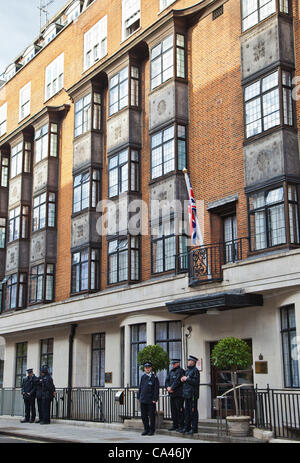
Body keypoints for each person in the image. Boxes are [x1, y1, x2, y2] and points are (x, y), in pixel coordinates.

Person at [137, 361, 159, 436]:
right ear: (144, 369)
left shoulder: (154, 377)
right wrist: (139, 397)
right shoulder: (143, 377)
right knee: (144, 416)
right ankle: (146, 429)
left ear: (151, 368)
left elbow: (156, 389)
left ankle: (152, 430)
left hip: (150, 400)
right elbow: (140, 387)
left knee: (151, 416)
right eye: (146, 368)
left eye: (148, 368)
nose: (147, 369)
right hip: (143, 399)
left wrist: (155, 399)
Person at [180, 355, 200, 435]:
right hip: (186, 394)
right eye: (188, 360)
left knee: (193, 412)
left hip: (192, 395)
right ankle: (187, 427)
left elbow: (195, 382)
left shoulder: (195, 371)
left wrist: (187, 379)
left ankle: (194, 428)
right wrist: (182, 378)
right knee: (187, 412)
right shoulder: (187, 370)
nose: (188, 362)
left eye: (190, 361)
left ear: (193, 362)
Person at [165, 359, 185, 431]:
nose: (172, 365)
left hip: (178, 394)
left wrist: (172, 388)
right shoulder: (171, 372)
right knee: (173, 411)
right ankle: (175, 425)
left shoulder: (181, 371)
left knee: (179, 410)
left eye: (174, 364)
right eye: (172, 364)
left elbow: (177, 381)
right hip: (172, 394)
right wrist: (168, 387)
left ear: (178, 363)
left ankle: (181, 425)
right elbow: (167, 380)